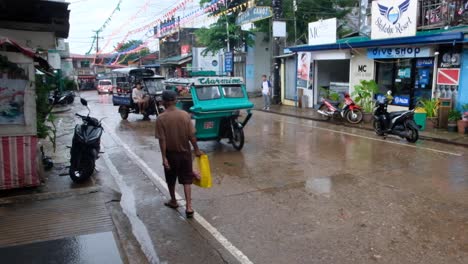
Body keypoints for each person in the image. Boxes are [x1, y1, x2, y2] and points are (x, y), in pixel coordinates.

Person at [155, 90, 202, 218]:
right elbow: (191, 135)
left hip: (171, 154)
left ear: (164, 102)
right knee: (187, 180)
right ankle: (189, 207)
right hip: (185, 153)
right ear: (175, 101)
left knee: (171, 179)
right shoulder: (184, 115)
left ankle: (174, 201)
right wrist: (196, 149)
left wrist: (164, 158)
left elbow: (162, 140)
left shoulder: (161, 118)